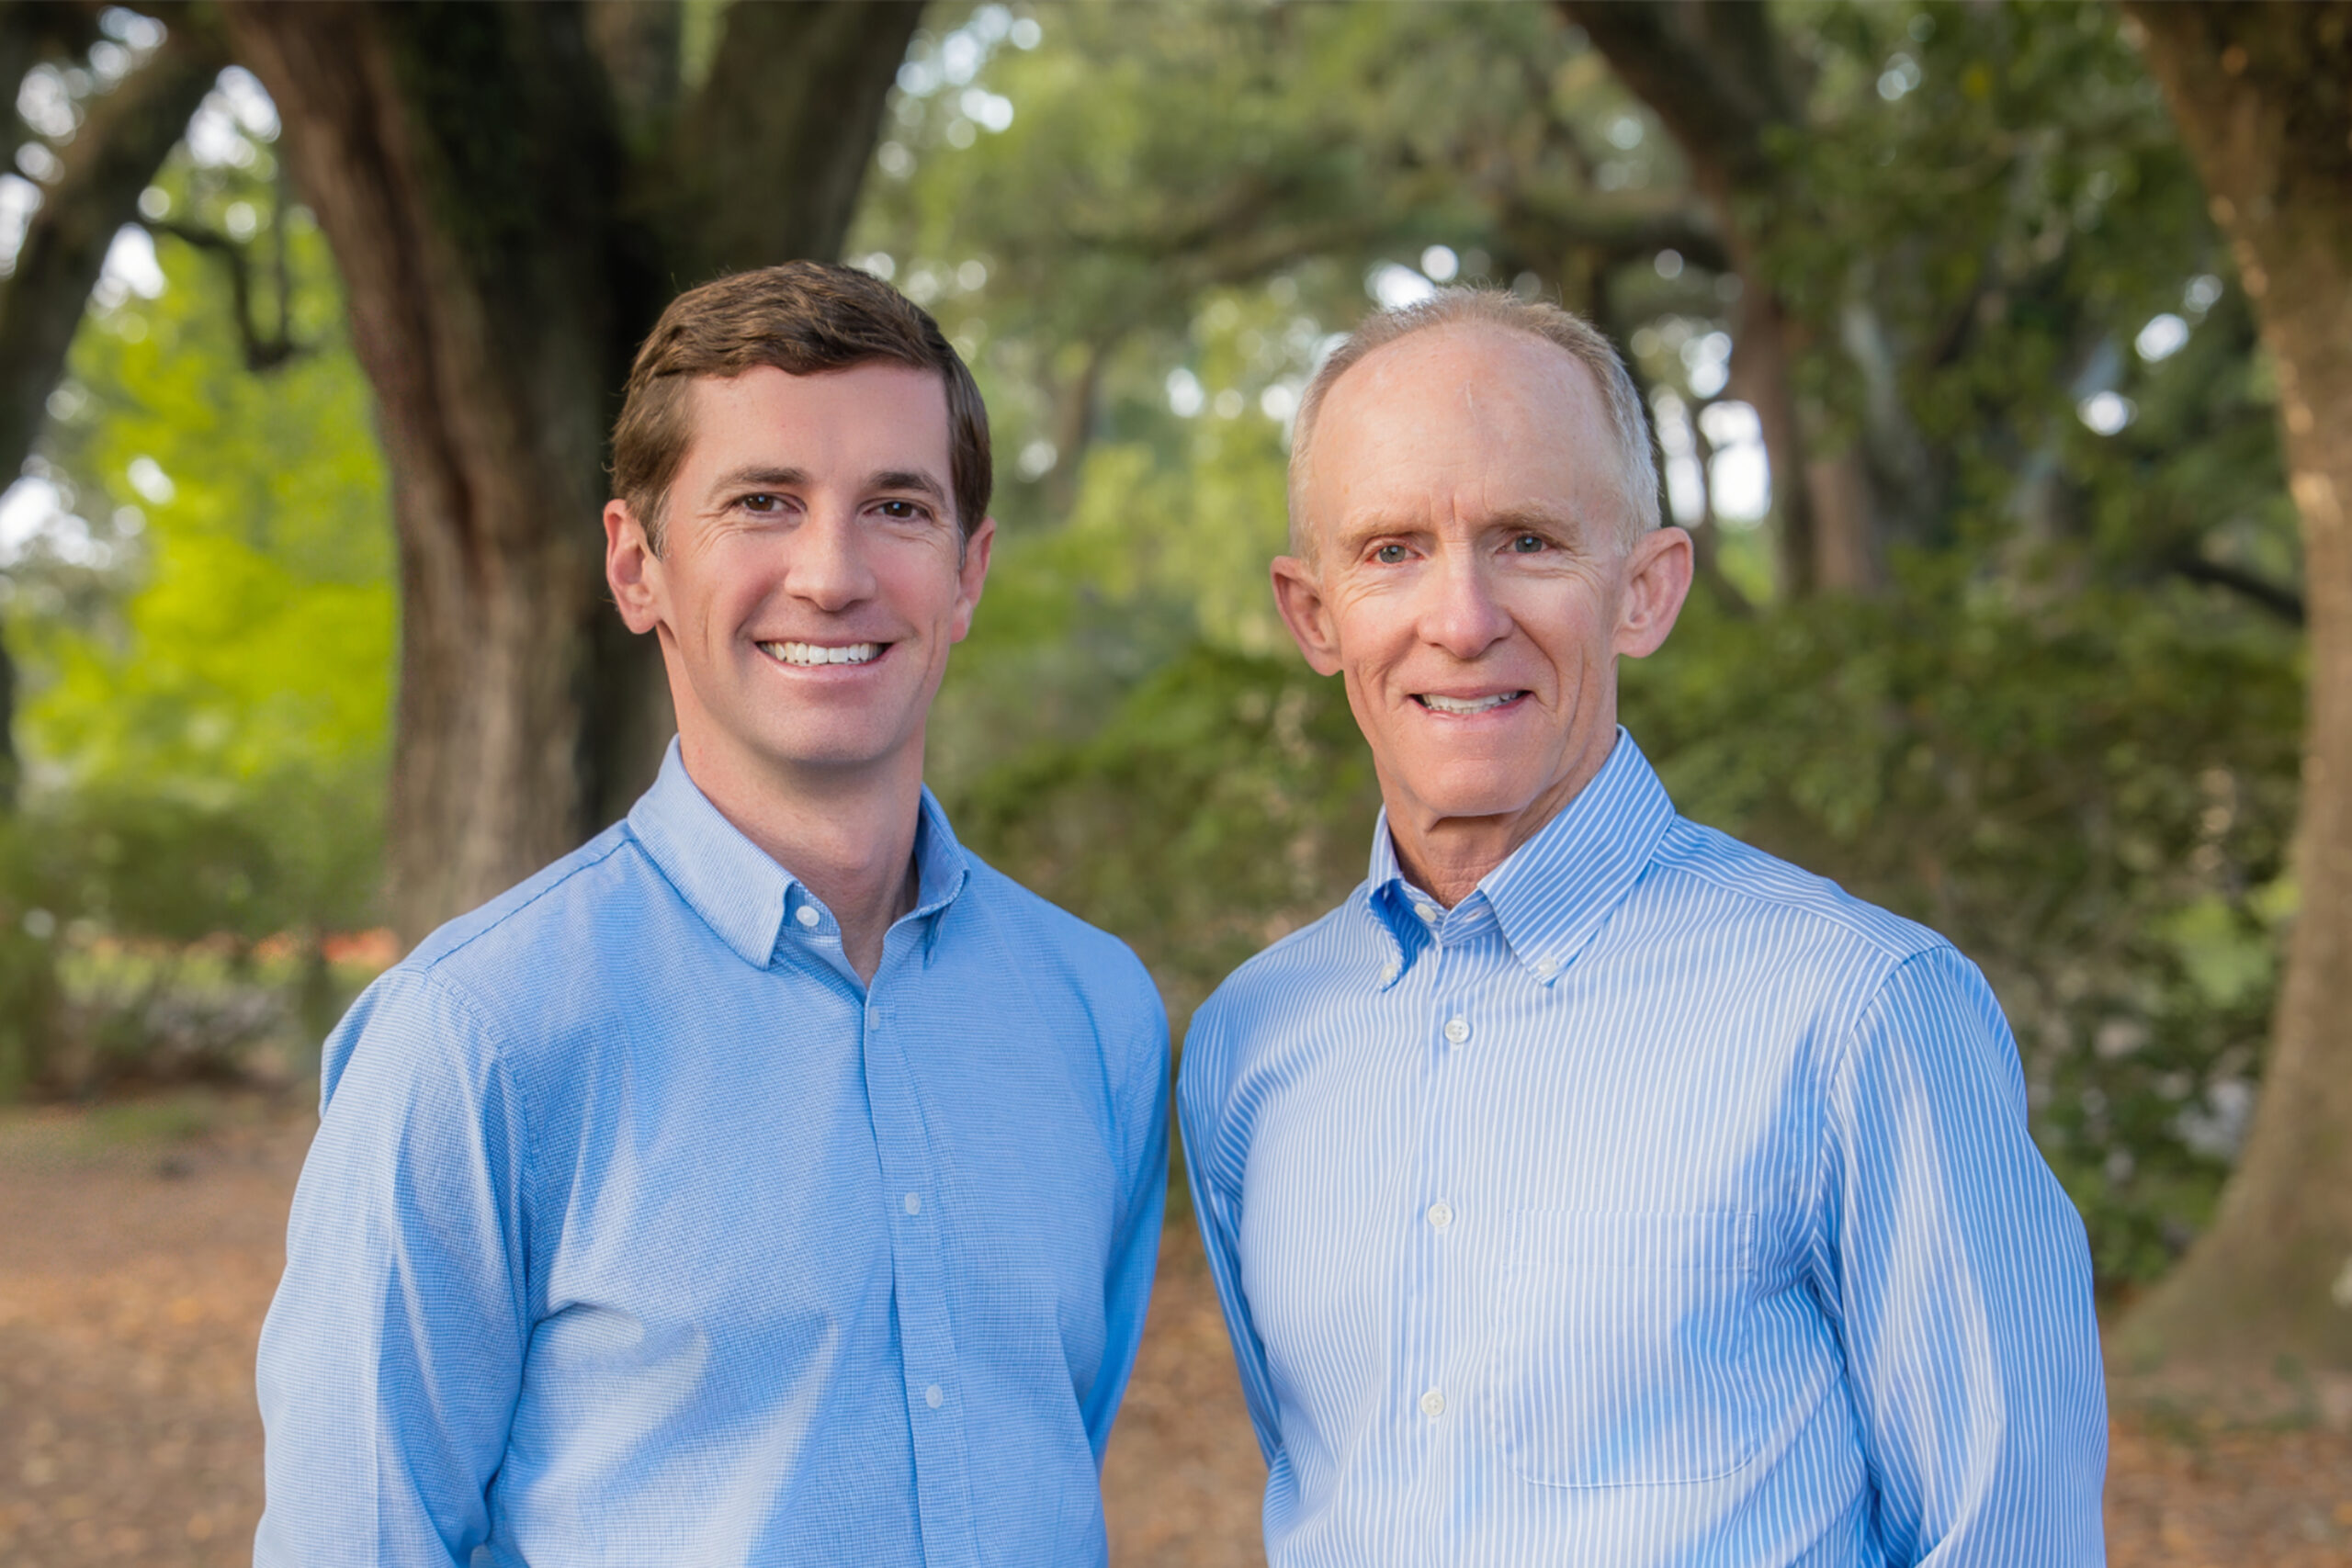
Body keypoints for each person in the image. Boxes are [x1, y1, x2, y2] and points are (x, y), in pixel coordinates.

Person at [255, 262, 1170, 1568]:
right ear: (639, 567)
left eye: (896, 508)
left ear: (968, 575)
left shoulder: (1096, 1012)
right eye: (762, 504)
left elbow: (1053, 1447)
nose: (832, 573)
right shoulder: (471, 1045)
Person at [1178, 289, 2104, 1566]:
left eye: (1529, 541)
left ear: (1646, 592)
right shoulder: (1250, 1047)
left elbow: (2015, 1540)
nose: (1460, 617)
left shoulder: (1860, 1011)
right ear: (1314, 613)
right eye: (1392, 549)